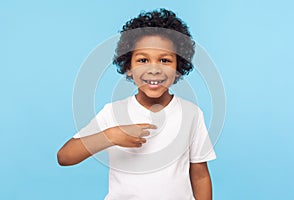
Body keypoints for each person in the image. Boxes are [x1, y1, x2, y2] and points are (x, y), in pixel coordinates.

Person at [57, 8, 216, 200]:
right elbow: (65, 157)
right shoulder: (113, 112)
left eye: (165, 60)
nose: (154, 69)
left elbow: (199, 176)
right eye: (143, 60)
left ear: (178, 68)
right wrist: (111, 135)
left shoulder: (191, 114)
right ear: (128, 68)